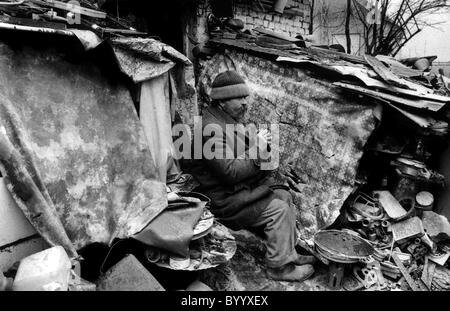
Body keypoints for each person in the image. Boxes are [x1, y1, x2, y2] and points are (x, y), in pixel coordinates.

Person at [190, 70, 315, 282]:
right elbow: (230, 173)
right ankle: (278, 268)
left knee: (284, 196)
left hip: (236, 189)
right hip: (222, 199)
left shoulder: (228, 120)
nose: (246, 103)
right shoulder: (210, 129)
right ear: (221, 102)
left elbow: (246, 158)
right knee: (279, 210)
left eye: (246, 97)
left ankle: (288, 254)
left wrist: (261, 148)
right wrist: (257, 147)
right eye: (240, 98)